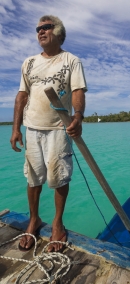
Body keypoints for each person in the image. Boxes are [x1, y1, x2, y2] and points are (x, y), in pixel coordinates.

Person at [10, 15, 87, 252]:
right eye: (38, 29)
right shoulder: (29, 62)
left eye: (46, 27)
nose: (41, 31)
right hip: (32, 128)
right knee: (33, 179)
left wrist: (78, 117)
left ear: (59, 33)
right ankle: (34, 220)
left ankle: (57, 223)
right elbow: (22, 96)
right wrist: (15, 129)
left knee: (59, 178)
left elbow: (77, 91)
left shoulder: (71, 60)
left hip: (58, 129)